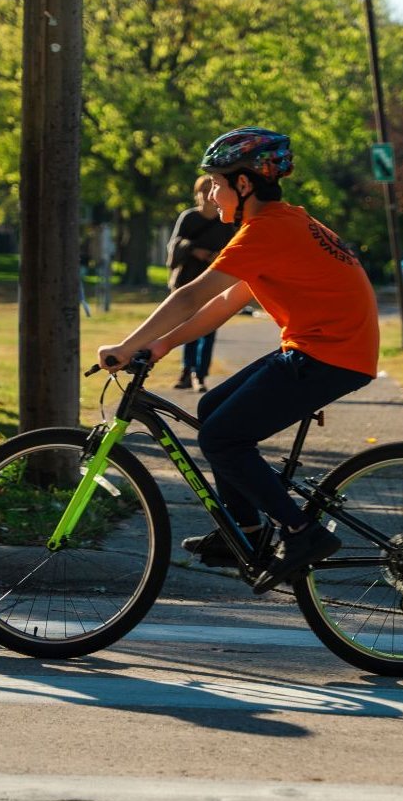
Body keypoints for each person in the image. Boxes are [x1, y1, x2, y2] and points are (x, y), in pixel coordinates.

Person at [97, 128, 380, 591]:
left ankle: (301, 532)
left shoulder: (265, 230)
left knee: (223, 440)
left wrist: (126, 346)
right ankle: (245, 533)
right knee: (212, 413)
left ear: (244, 185)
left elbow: (190, 295)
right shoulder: (282, 224)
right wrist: (163, 346)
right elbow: (227, 300)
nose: (210, 193)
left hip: (326, 354)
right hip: (327, 349)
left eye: (216, 182)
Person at [166, 175, 234, 391]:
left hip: (215, 282)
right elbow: (175, 245)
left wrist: (217, 256)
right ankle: (186, 370)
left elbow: (234, 249)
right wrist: (193, 249)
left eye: (210, 189)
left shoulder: (226, 222)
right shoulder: (189, 218)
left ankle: (200, 374)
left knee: (209, 328)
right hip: (188, 280)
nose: (206, 194)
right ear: (196, 194)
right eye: (201, 190)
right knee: (187, 328)